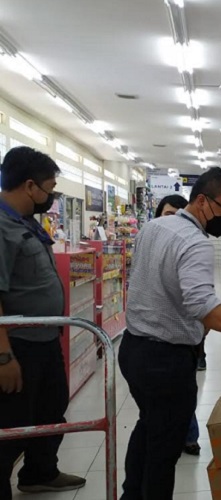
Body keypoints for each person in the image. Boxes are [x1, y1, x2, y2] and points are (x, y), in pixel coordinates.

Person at [120, 167, 221, 500]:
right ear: (202, 201)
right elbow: (202, 304)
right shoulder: (195, 242)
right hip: (165, 360)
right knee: (165, 449)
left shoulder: (153, 226)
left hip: (134, 349)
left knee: (148, 426)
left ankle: (131, 493)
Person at [0, 147, 86, 497]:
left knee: (51, 408)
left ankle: (40, 472)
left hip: (45, 338)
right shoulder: (2, 226)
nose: (51, 197)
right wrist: (4, 357)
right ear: (31, 185)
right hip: (17, 346)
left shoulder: (27, 222)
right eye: (50, 189)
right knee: (11, 422)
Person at [153, 194, 203, 456]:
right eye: (167, 214)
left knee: (184, 395)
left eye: (178, 215)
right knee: (161, 411)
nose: (173, 221)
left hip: (183, 337)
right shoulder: (151, 241)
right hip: (161, 341)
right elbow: (201, 301)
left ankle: (189, 435)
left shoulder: (189, 244)